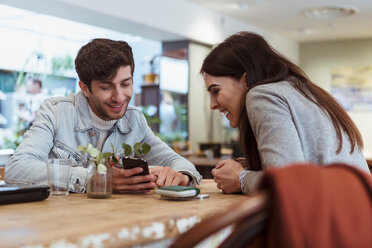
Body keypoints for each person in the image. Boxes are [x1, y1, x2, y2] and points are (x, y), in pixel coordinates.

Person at [5, 38, 201, 193]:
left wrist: (181, 175)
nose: (119, 97)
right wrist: (96, 178)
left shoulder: (134, 120)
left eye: (126, 84)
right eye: (106, 87)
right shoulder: (56, 112)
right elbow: (17, 169)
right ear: (85, 88)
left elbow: (178, 163)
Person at [200, 31, 370, 194]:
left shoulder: (261, 95)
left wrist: (240, 178)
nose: (212, 105)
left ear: (246, 79)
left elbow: (287, 184)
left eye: (216, 91)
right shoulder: (302, 90)